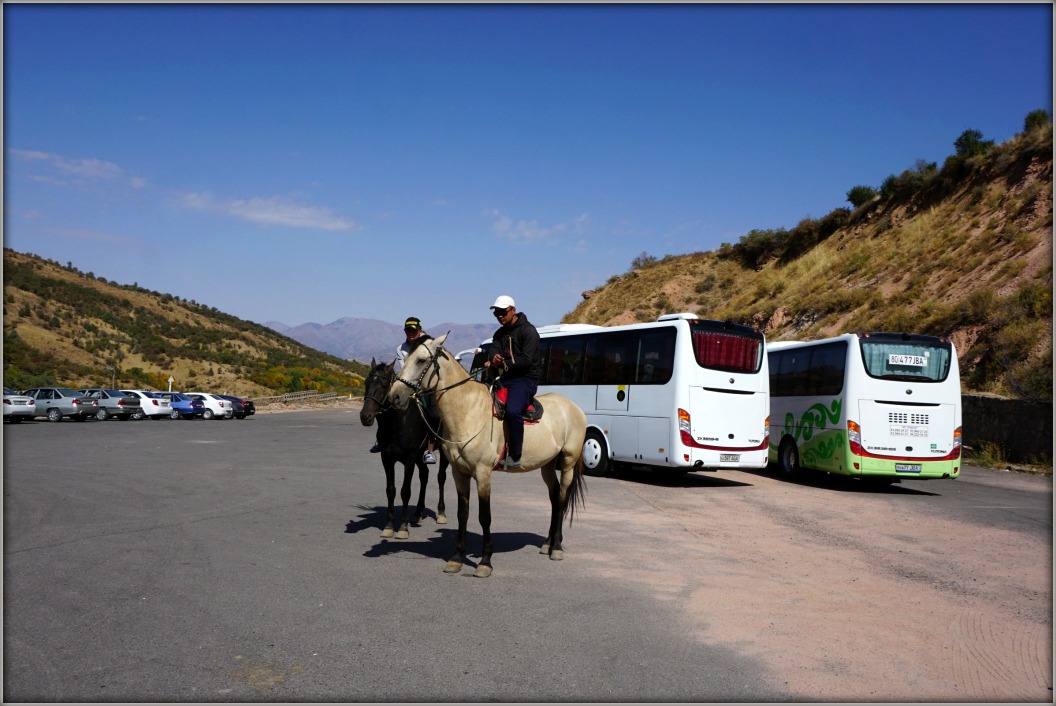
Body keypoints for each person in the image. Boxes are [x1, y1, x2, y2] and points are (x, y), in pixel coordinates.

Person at [369, 317, 439, 463]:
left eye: (414, 330)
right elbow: (403, 369)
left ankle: (430, 449)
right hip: (407, 383)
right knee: (384, 406)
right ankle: (381, 440)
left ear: (419, 330)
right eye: (408, 330)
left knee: (434, 414)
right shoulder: (401, 349)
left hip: (425, 386)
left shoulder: (427, 345)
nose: (411, 333)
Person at [483, 295, 541, 470]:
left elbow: (526, 360)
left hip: (525, 379)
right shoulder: (499, 333)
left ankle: (515, 455)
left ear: (513, 310)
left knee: (513, 410)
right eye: (496, 313)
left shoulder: (528, 331)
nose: (499, 315)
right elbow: (493, 349)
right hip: (505, 378)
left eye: (502, 312)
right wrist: (494, 357)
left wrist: (503, 362)